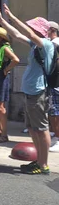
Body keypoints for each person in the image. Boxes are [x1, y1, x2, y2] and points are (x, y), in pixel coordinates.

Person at [0, 5, 53, 175]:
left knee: (41, 128)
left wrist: (13, 17)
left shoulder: (45, 44)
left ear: (41, 31)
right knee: (32, 128)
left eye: (34, 28)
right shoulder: (35, 45)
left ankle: (44, 165)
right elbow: (17, 35)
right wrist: (2, 20)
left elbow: (29, 34)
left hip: (39, 92)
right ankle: (38, 160)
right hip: (31, 92)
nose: (31, 30)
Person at [47, 21, 59, 152]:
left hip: (56, 81)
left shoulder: (55, 43)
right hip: (53, 80)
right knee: (52, 110)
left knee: (55, 111)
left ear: (52, 30)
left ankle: (58, 137)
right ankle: (55, 133)